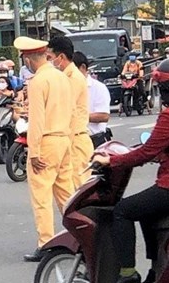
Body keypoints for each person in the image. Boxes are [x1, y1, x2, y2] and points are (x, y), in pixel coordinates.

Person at [91, 59, 169, 283]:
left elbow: (144, 153)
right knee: (146, 213)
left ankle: (127, 273)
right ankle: (156, 270)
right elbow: (154, 149)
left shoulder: (167, 117)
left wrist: (111, 161)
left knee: (123, 211)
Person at [13, 36, 75, 262]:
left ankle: (46, 243)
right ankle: (77, 236)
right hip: (64, 140)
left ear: (28, 58)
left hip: (47, 142)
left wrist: (35, 150)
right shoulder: (61, 77)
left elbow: (37, 120)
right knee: (67, 196)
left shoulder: (39, 81)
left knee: (41, 198)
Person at [48, 36, 94, 189]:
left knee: (79, 189)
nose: (49, 62)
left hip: (76, 140)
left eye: (50, 57)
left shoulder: (73, 78)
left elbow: (63, 108)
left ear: (61, 57)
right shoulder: (64, 77)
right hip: (70, 139)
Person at [73, 51, 111, 149]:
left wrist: (75, 117)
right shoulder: (65, 87)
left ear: (83, 67)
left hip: (94, 140)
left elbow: (104, 116)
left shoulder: (98, 87)